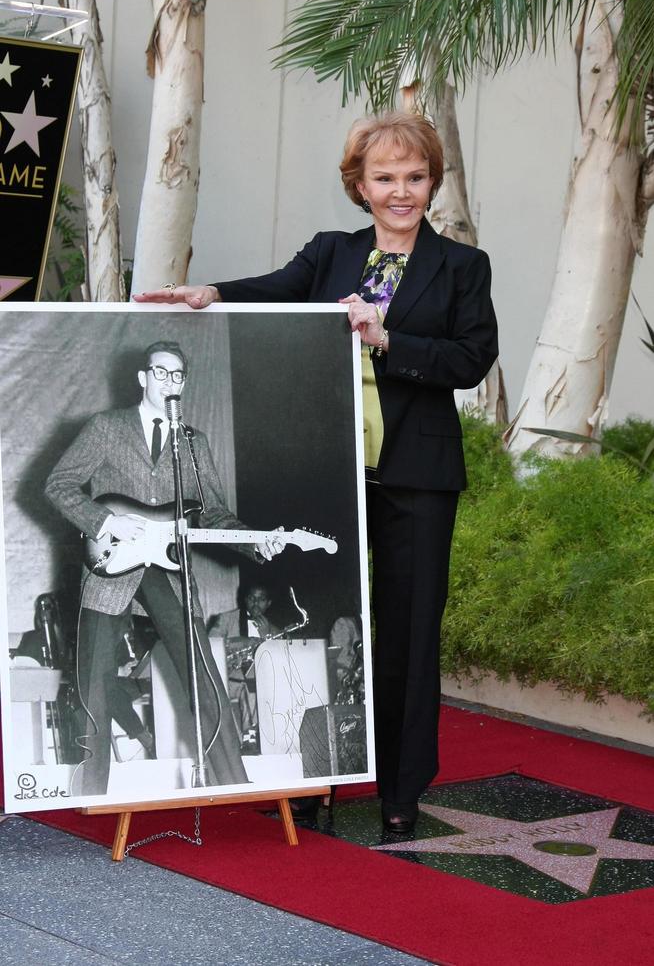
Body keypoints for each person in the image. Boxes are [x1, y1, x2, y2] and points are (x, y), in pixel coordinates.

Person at [134, 112, 499, 832]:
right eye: (386, 178)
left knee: (408, 632)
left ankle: (400, 791)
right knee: (320, 623)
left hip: (417, 475)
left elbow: (471, 359)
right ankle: (314, 775)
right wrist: (210, 292)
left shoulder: (463, 266)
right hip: (328, 467)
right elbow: (275, 289)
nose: (402, 191)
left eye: (415, 177)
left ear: (432, 181)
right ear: (359, 186)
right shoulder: (331, 252)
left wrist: (389, 336)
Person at [45, 340, 284, 797]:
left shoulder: (192, 443)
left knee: (204, 681)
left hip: (169, 570)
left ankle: (236, 788)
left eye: (178, 376)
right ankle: (91, 799)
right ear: (143, 377)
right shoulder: (106, 427)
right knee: (94, 688)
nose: (169, 382)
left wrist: (257, 542)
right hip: (110, 565)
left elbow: (213, 513)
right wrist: (105, 520)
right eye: (161, 372)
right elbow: (59, 484)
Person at [209, 583, 280, 741]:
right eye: (251, 598)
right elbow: (211, 644)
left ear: (268, 603)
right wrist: (245, 642)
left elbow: (278, 659)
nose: (255, 603)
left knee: (254, 686)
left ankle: (251, 738)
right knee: (251, 687)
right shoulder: (226, 619)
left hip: (257, 681)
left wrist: (266, 636)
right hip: (226, 678)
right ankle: (248, 737)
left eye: (261, 599)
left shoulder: (273, 629)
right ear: (244, 599)